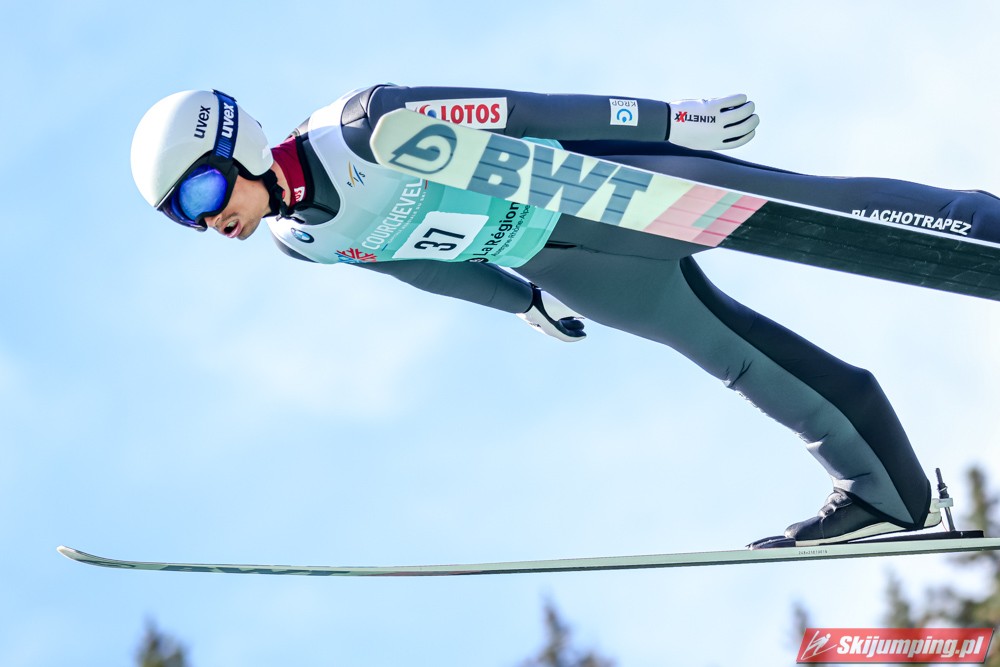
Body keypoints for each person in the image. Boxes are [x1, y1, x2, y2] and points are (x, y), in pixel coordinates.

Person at [132, 85, 992, 547]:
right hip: (568, 266)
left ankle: (983, 228)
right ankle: (889, 491)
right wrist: (523, 300)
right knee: (737, 358)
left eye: (201, 192)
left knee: (815, 214)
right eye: (184, 218)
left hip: (607, 194)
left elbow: (529, 111)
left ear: (236, 143)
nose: (209, 222)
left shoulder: (365, 127)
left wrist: (671, 119)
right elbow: (419, 268)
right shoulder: (301, 242)